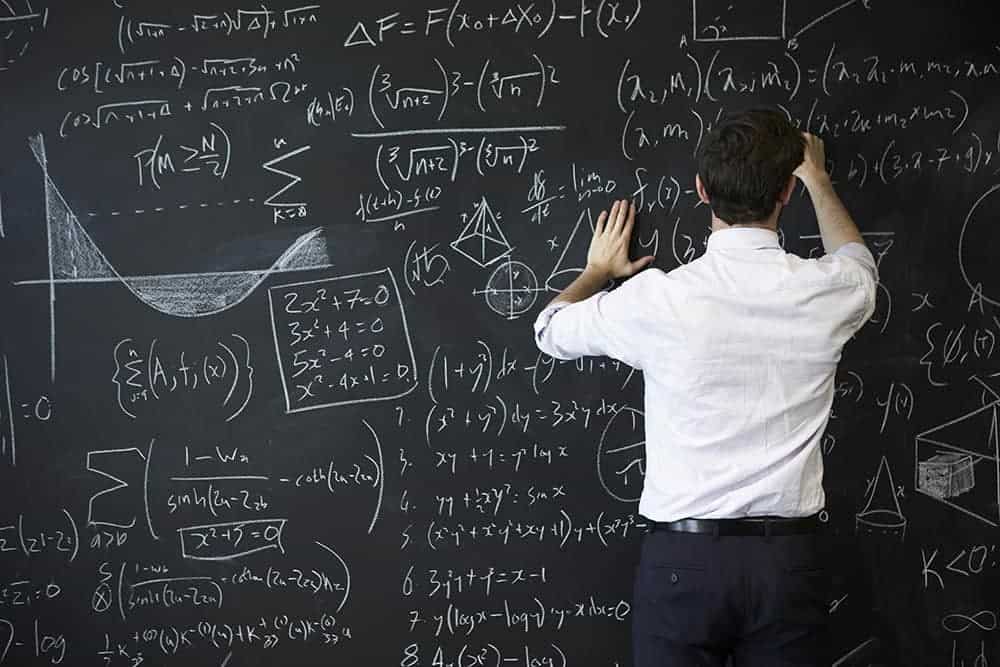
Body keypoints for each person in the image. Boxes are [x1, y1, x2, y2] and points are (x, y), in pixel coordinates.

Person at [532, 108, 877, 666]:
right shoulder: (827, 292)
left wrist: (598, 269)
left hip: (682, 563)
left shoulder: (658, 299)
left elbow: (549, 330)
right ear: (786, 191)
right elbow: (860, 264)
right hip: (787, 563)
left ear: (701, 190)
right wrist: (819, 178)